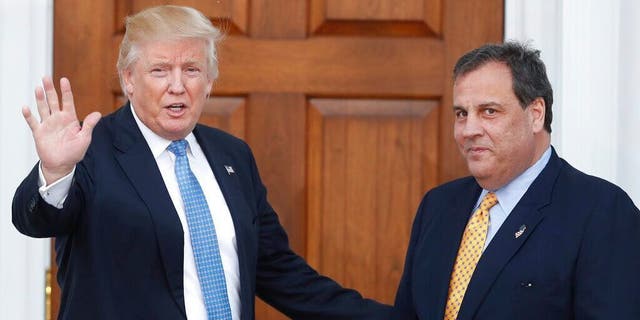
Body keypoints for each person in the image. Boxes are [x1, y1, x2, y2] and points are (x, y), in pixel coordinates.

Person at [12, 5, 391, 320]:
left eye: (191, 70)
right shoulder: (92, 151)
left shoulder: (233, 157)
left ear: (209, 80)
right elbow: (36, 220)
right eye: (160, 70)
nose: (178, 85)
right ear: (128, 79)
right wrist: (57, 171)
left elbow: (281, 273)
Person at [393, 41, 640, 319]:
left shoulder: (601, 211)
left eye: (489, 111)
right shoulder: (437, 206)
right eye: (461, 113)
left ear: (536, 114)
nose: (469, 130)